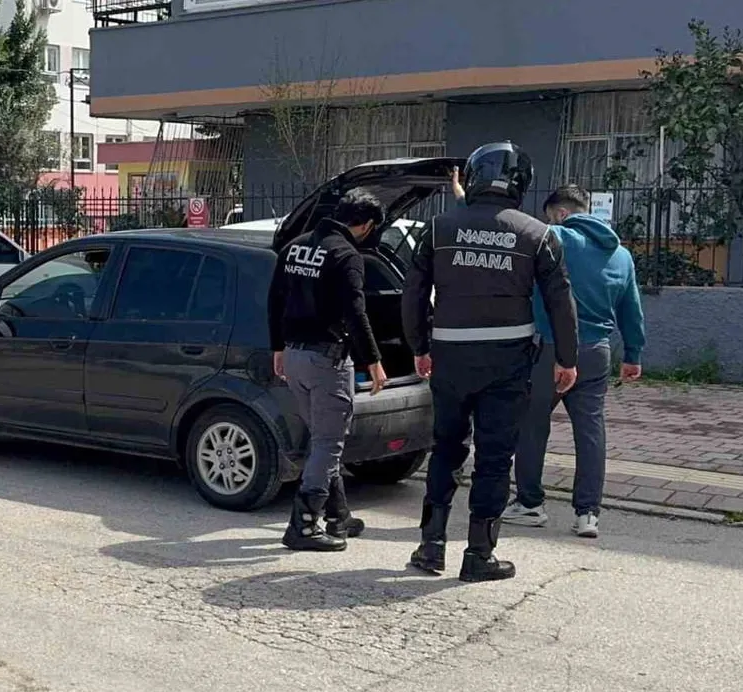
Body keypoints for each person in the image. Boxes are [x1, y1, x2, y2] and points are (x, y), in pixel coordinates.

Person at [401, 142, 579, 583]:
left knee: (445, 449)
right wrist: (568, 359)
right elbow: (561, 302)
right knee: (495, 457)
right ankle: (479, 554)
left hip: (449, 357)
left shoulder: (438, 229)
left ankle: (431, 545)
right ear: (521, 184)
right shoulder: (539, 235)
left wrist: (419, 347)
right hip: (508, 362)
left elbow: (413, 294)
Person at [503, 185, 646, 538]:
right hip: (598, 351)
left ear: (561, 213)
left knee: (532, 423)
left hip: (552, 349)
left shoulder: (556, 237)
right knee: (591, 430)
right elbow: (632, 309)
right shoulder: (622, 255)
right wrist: (633, 355)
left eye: (549, 216)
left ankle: (530, 503)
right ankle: (588, 514)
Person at [268, 188, 389, 552]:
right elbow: (356, 311)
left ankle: (339, 516)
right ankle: (302, 526)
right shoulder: (346, 255)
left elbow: (275, 300)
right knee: (328, 442)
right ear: (366, 225)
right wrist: (374, 361)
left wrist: (277, 347)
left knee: (322, 439)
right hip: (327, 359)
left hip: (294, 356)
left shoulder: (295, 246)